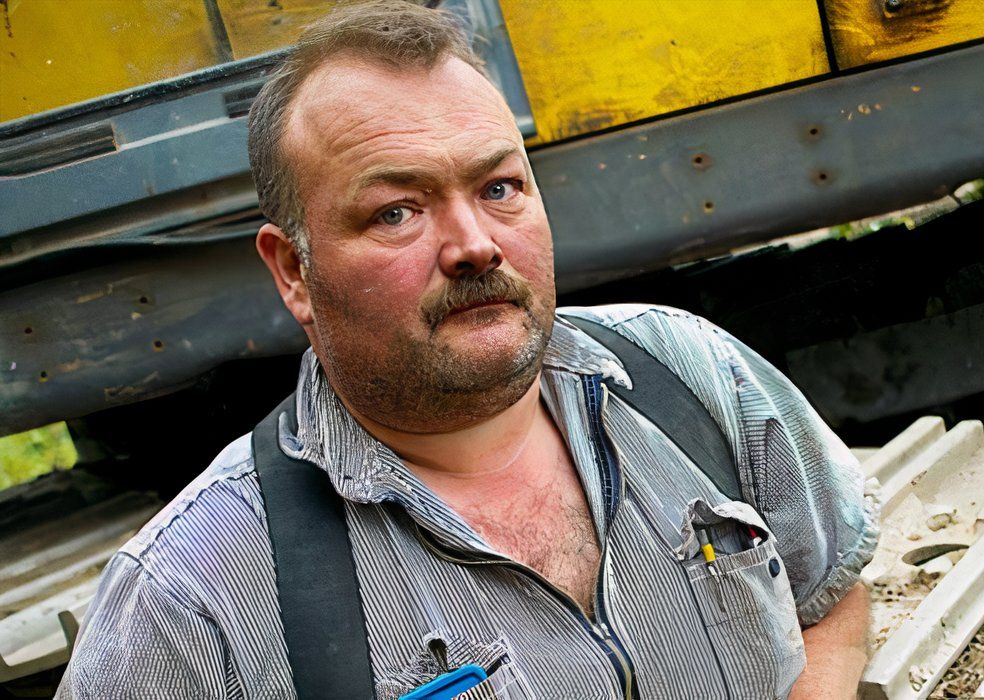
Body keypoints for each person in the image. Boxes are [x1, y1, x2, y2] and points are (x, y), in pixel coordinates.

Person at [57, 1, 877, 697]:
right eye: (396, 212)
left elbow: (830, 590)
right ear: (294, 272)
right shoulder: (192, 599)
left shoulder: (690, 375)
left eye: (498, 189)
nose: (475, 245)